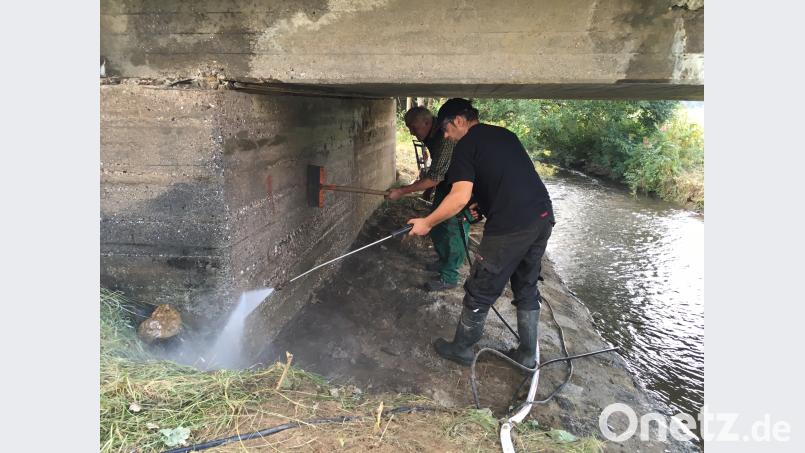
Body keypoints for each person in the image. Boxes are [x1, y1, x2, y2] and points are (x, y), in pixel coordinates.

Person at [406, 98, 554, 368]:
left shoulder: (464, 146)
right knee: (526, 284)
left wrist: (427, 222)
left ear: (460, 121)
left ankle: (461, 348)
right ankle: (527, 354)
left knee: (481, 287)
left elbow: (459, 197)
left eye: (448, 129)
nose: (446, 136)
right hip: (542, 216)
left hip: (511, 224)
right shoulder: (504, 135)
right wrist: (482, 203)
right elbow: (504, 178)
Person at [387, 106, 469, 292]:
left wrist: (401, 191)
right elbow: (437, 172)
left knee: (453, 228)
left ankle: (449, 276)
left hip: (461, 187)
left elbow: (435, 177)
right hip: (446, 182)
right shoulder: (430, 134)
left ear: (427, 122)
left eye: (414, 128)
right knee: (437, 224)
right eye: (408, 128)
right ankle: (443, 261)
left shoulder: (444, 136)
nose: (411, 132)